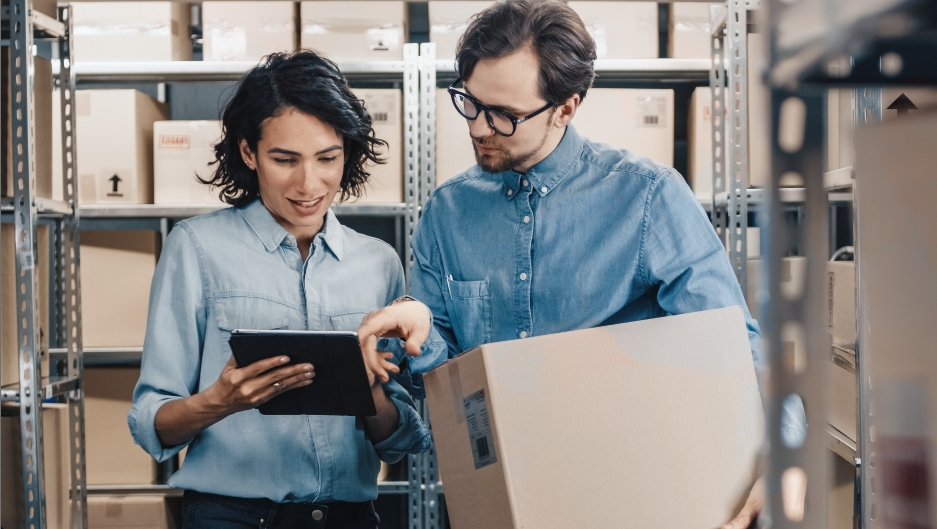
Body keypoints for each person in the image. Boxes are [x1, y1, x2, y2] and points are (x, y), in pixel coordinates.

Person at [354, 0, 765, 526]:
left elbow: (735, 348)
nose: (479, 127)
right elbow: (446, 396)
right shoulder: (446, 213)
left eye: (504, 114)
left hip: (628, 498)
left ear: (566, 108)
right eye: (470, 102)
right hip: (496, 503)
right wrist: (425, 333)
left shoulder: (647, 198)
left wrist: (779, 455)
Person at [127, 51, 431, 529]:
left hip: (350, 519)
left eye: (327, 158)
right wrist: (220, 401)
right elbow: (151, 424)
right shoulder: (196, 249)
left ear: (347, 152)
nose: (309, 183)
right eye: (284, 159)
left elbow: (402, 441)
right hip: (232, 518)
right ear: (249, 153)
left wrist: (368, 388)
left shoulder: (379, 263)